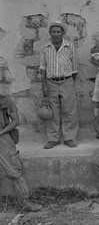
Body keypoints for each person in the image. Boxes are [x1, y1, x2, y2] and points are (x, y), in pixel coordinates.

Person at [0, 88, 42, 212]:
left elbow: (16, 121)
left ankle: (25, 201)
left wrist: (1, 132)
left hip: (3, 138)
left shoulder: (5, 101)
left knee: (14, 169)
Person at [39, 21, 79, 149]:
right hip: (51, 82)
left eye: (58, 32)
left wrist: (69, 80)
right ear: (50, 33)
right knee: (53, 112)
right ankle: (53, 139)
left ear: (63, 33)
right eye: (53, 32)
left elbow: (74, 68)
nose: (56, 34)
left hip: (67, 81)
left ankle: (70, 138)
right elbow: (42, 68)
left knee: (70, 111)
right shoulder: (45, 47)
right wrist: (44, 86)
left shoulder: (69, 46)